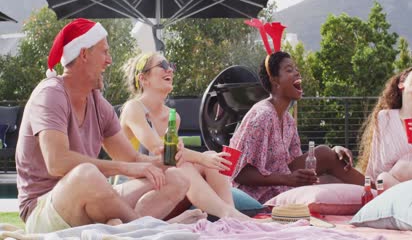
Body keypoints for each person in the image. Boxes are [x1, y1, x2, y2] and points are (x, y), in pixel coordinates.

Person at [15, 19, 205, 234]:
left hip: (93, 195)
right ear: (84, 54)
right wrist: (126, 168)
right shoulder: (50, 94)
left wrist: (165, 161)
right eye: (104, 52)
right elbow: (57, 162)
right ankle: (150, 230)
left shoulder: (98, 103)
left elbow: (133, 160)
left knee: (176, 178)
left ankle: (120, 229)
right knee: (87, 174)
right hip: (43, 209)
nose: (110, 60)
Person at [119, 52, 250, 220]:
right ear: (144, 78)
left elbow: (173, 158)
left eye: (171, 66)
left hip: (164, 188)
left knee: (209, 157)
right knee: (184, 166)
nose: (170, 71)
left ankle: (230, 214)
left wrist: (207, 159)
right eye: (163, 66)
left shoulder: (173, 116)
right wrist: (200, 159)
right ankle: (227, 213)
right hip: (134, 190)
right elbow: (160, 150)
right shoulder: (133, 108)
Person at [229, 51, 365, 204]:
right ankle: (378, 192)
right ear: (275, 80)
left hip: (281, 186)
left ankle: (375, 192)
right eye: (289, 70)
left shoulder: (288, 120)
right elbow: (240, 174)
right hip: (254, 197)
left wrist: (334, 154)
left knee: (334, 175)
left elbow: (299, 164)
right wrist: (286, 178)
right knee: (325, 156)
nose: (297, 72)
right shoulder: (263, 116)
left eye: (296, 69)